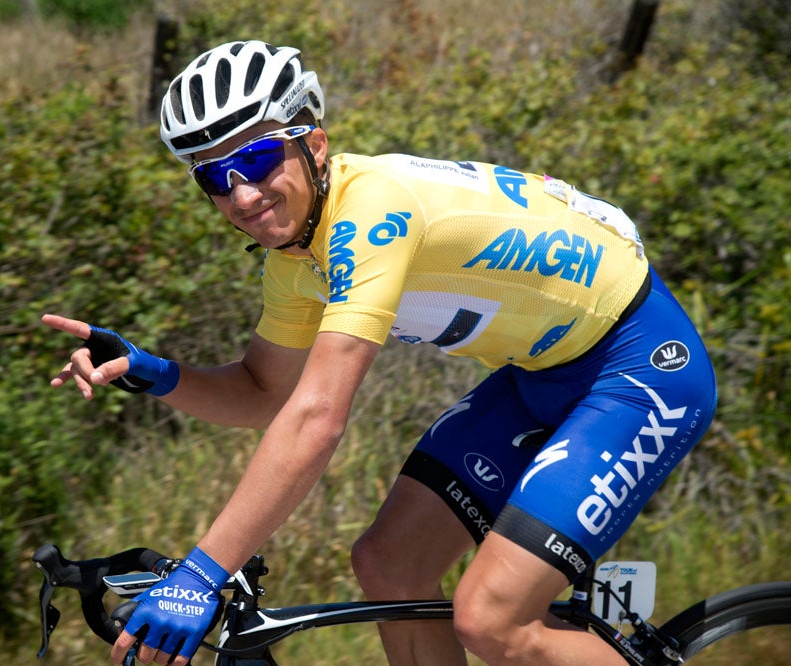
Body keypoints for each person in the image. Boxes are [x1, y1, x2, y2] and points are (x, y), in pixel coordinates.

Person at [42, 40, 717, 666]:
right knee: (388, 563)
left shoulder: (373, 213)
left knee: (491, 622)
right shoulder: (294, 261)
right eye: (214, 179)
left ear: (315, 142)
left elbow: (316, 418)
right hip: (539, 374)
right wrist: (155, 373)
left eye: (255, 160)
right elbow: (261, 393)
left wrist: (199, 575)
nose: (242, 195)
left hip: (638, 369)